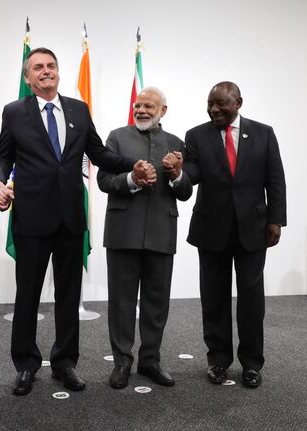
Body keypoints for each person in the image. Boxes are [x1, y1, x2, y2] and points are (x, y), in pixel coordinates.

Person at [0, 47, 156, 396]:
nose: (46, 72)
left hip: (70, 219)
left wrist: (132, 165)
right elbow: (3, 156)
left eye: (51, 66)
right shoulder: (14, 112)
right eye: (38, 68)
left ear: (58, 72)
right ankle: (25, 364)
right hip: (31, 219)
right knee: (28, 296)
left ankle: (65, 363)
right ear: (27, 77)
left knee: (69, 296)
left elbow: (98, 153)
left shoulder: (78, 110)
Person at [184, 81, 286, 388]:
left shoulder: (263, 133)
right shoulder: (196, 135)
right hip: (211, 228)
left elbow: (275, 179)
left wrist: (276, 220)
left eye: (221, 104)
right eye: (210, 105)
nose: (214, 109)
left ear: (238, 102)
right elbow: (193, 173)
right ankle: (218, 361)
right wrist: (178, 173)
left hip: (253, 229)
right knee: (213, 299)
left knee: (251, 301)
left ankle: (252, 364)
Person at [97, 87, 192, 389]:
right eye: (138, 106)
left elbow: (186, 191)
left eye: (149, 106)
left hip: (162, 233)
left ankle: (150, 361)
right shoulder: (116, 137)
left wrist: (177, 174)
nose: (141, 110)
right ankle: (122, 362)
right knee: (122, 302)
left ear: (163, 111)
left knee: (156, 303)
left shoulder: (176, 144)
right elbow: (102, 180)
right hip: (123, 232)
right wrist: (131, 179)